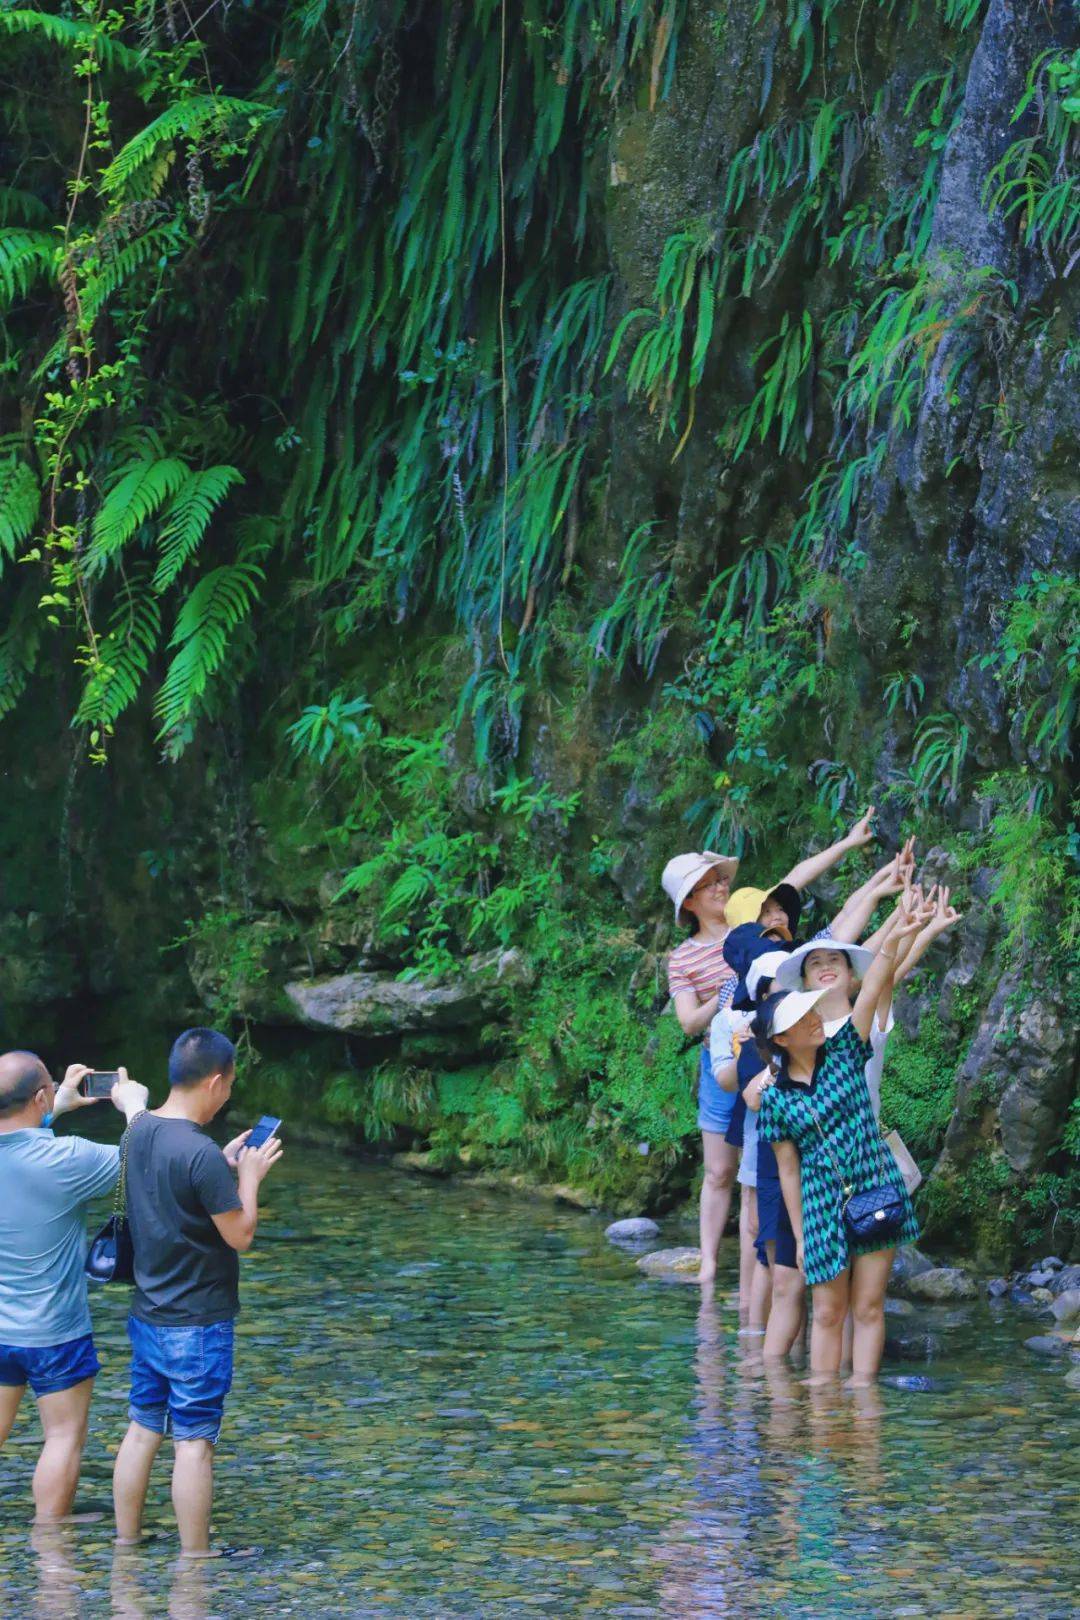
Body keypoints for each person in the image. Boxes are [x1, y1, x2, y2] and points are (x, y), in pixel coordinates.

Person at [662, 808, 879, 1286]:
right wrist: (733, 993)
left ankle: (760, 1276)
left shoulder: (755, 922)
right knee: (720, 1170)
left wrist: (848, 843)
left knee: (758, 1170)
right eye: (709, 884)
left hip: (770, 1051)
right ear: (689, 902)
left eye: (720, 879)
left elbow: (797, 878)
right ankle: (710, 1263)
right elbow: (687, 1022)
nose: (721, 887)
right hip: (724, 1054)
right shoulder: (687, 956)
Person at [111, 1028, 283, 1558]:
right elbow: (241, 1235)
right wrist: (249, 1175)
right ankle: (195, 1557)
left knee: (142, 1428)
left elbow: (178, 1183)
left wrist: (223, 1165)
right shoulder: (200, 1152)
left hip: (148, 1313)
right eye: (229, 1085)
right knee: (194, 1442)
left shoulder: (138, 1130)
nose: (228, 1095)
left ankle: (127, 1540)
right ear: (214, 1082)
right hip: (198, 1324)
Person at [752, 900, 926, 1383]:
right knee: (828, 1313)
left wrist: (899, 933)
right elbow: (788, 1171)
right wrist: (801, 1236)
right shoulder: (775, 1099)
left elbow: (873, 985)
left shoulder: (847, 1047)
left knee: (868, 1307)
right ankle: (825, 1408)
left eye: (811, 1013)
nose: (814, 1020)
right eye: (800, 1020)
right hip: (820, 1205)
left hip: (875, 1185)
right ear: (781, 1039)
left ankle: (865, 1403)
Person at [0, 1053, 148, 1522]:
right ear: (39, 1096)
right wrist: (134, 1108)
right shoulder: (69, 1158)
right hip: (56, 1332)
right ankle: (49, 1541)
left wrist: (55, 1108)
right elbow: (146, 1159)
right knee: (62, 1436)